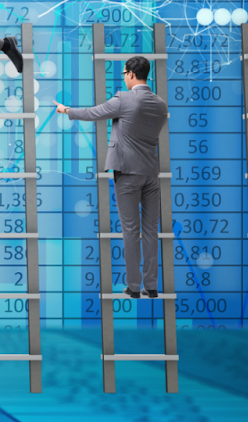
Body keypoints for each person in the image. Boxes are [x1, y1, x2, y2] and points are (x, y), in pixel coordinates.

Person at [55, 56, 167, 298]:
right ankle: (152, 286)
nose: (123, 77)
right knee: (150, 230)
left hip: (127, 173)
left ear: (131, 75)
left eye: (124, 73)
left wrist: (67, 110)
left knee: (130, 230)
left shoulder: (124, 98)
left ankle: (134, 287)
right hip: (151, 173)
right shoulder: (160, 104)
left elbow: (95, 112)